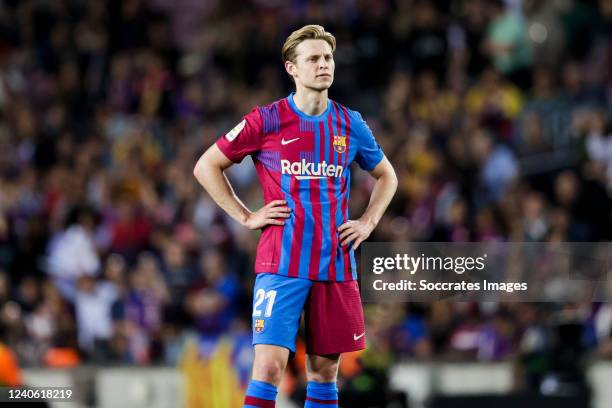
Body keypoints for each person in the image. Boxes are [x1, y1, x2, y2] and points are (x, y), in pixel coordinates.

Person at [194, 24, 397, 407]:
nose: (324, 65)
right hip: (282, 263)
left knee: (324, 372)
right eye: (314, 59)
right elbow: (206, 166)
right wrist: (244, 215)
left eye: (328, 58)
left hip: (336, 264)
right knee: (269, 367)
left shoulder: (350, 123)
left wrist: (368, 221)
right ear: (292, 68)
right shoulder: (267, 120)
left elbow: (388, 175)